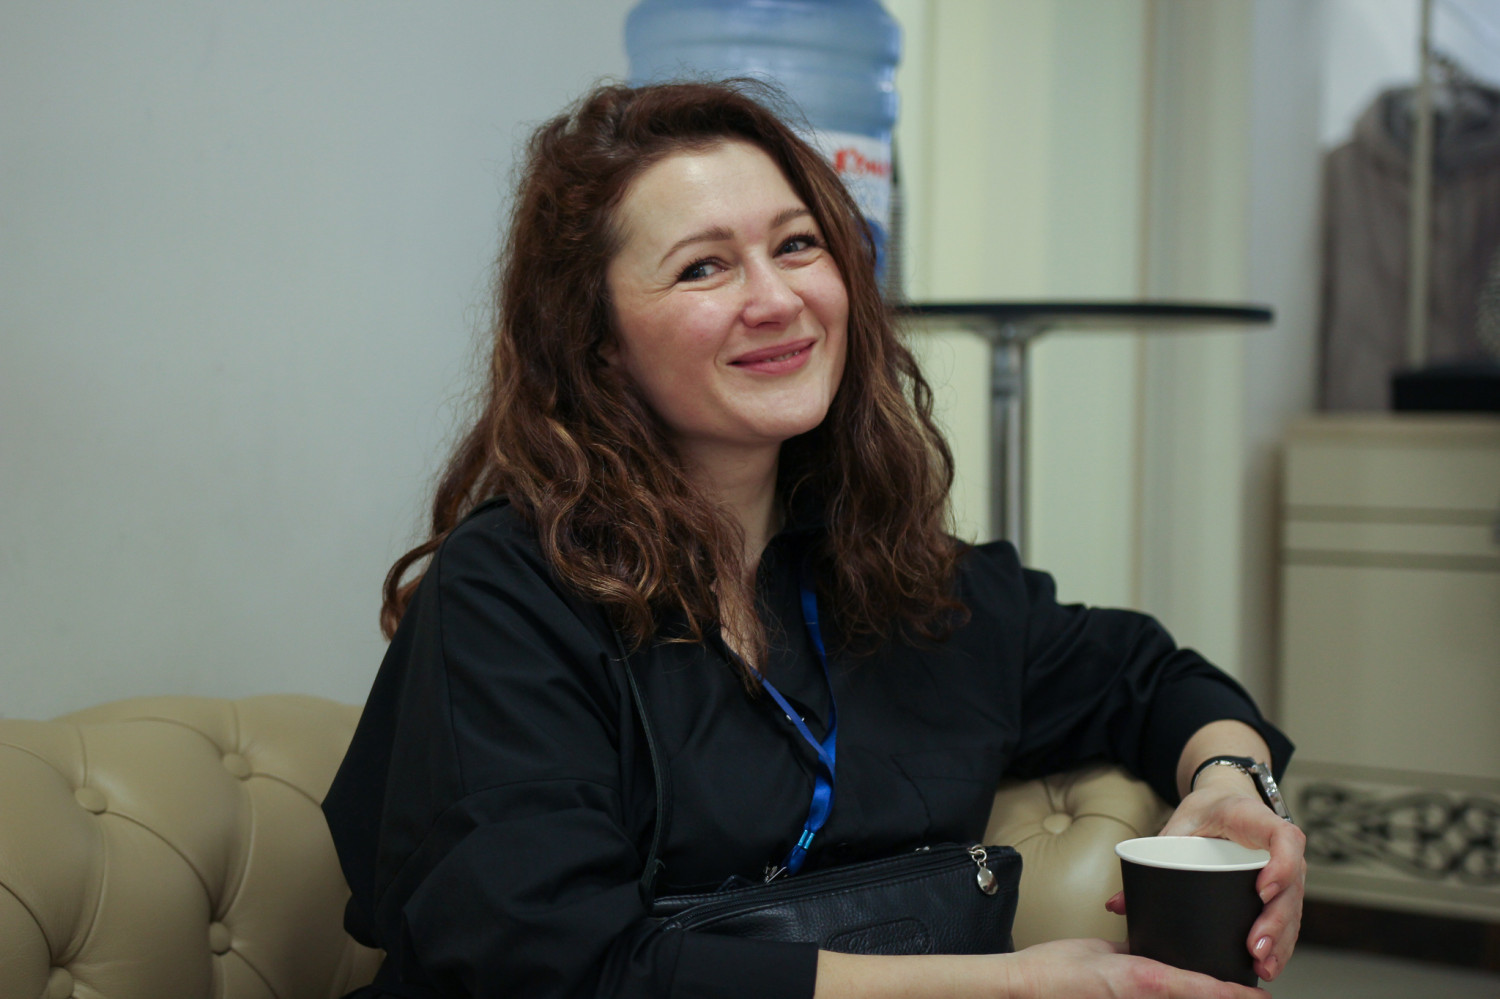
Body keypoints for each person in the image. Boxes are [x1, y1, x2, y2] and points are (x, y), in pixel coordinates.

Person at [323, 80, 1304, 999]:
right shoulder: (508, 591)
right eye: (704, 266)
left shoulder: (892, 574)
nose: (777, 298)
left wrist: (1234, 782)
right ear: (599, 343)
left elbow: (1149, 676)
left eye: (797, 246)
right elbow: (554, 964)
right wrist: (1009, 984)